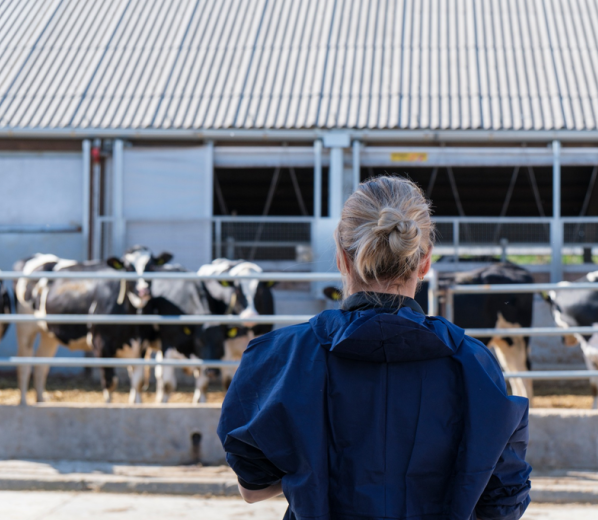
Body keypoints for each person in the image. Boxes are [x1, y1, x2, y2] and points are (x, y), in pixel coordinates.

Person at [218, 176, 531, 520]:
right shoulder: (475, 363)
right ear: (425, 262)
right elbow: (503, 501)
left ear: (341, 257)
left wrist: (315, 464)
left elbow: (252, 487)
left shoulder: (280, 356)